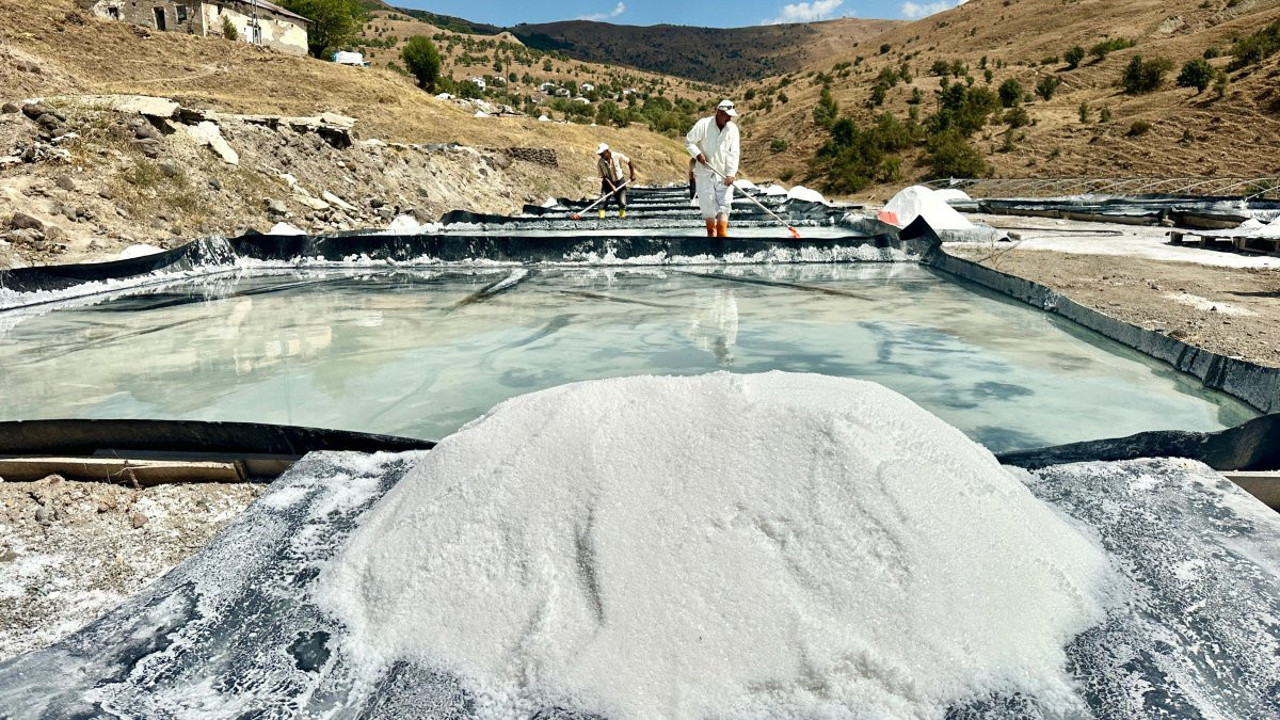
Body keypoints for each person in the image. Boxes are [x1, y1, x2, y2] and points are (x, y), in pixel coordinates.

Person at [685, 99, 740, 237]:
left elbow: (734, 153)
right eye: (727, 115)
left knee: (724, 210)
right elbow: (689, 142)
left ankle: (723, 246)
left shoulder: (732, 129)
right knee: (710, 225)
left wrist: (731, 173)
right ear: (719, 112)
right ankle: (712, 250)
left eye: (730, 116)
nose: (729, 118)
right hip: (705, 175)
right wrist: (698, 154)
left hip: (724, 177)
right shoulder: (703, 124)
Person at [596, 143, 635, 219]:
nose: (601, 156)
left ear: (607, 151)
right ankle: (601, 220)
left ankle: (622, 219)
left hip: (620, 181)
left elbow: (629, 162)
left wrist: (632, 174)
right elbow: (604, 176)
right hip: (607, 183)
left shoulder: (617, 156)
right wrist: (612, 186)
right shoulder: (600, 162)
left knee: (622, 203)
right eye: (600, 154)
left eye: (602, 154)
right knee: (602, 202)